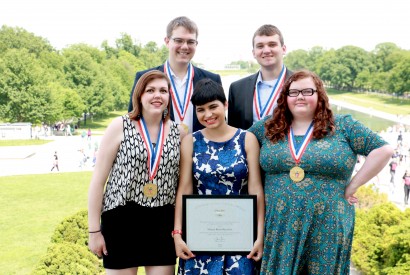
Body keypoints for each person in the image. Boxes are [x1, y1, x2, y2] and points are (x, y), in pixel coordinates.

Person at [248, 70, 393, 274]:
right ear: (285, 98)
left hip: (328, 223)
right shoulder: (267, 127)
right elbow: (238, 145)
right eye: (293, 92)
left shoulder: (342, 125)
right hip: (280, 224)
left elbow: (383, 150)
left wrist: (353, 185)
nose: (300, 96)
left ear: (320, 95)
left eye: (307, 91)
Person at [88, 70, 182, 274]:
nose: (157, 95)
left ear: (169, 96)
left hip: (162, 221)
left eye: (163, 91)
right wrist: (94, 231)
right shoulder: (119, 126)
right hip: (122, 220)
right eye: (150, 90)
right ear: (139, 95)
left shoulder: (180, 132)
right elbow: (97, 181)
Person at [173, 79, 265, 274]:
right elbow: (184, 190)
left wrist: (259, 236)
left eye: (213, 106)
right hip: (199, 239)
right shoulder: (190, 142)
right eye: (200, 109)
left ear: (225, 105)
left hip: (240, 239)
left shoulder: (247, 139)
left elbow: (256, 190)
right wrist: (178, 235)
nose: (207, 115)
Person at [127, 16, 222, 135]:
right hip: (159, 151)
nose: (185, 46)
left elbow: (221, 122)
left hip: (201, 152)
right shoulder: (145, 78)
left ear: (196, 44)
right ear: (167, 41)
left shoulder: (212, 79)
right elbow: (133, 119)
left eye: (190, 41)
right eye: (179, 40)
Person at [228, 24, 293, 130]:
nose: (266, 50)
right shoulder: (237, 89)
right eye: (260, 46)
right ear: (254, 53)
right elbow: (232, 132)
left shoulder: (301, 84)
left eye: (272, 44)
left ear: (284, 49)